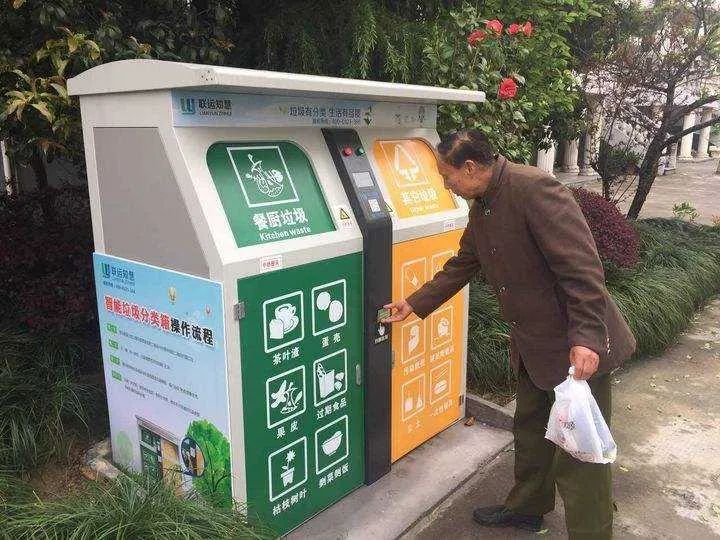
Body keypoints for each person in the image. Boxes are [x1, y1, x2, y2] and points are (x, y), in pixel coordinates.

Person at [382, 130, 636, 539]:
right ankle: (527, 508)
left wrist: (587, 338)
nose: (447, 186)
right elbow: (465, 262)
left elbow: (582, 269)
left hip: (573, 346)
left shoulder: (535, 189)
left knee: (581, 451)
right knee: (531, 431)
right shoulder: (483, 203)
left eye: (448, 177)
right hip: (533, 343)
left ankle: (592, 532)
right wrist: (414, 303)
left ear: (469, 168)